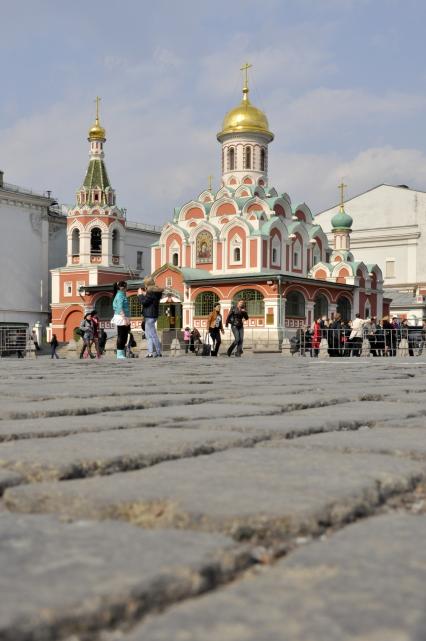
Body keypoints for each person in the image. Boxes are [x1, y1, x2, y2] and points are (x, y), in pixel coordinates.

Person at [137, 276, 163, 358]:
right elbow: (150, 300)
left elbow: (144, 302)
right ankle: (150, 352)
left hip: (149, 315)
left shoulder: (150, 292)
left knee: (152, 334)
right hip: (152, 315)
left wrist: (140, 295)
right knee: (148, 335)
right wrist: (145, 294)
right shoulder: (156, 291)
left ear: (147, 284)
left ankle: (158, 352)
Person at [112, 281, 130, 360]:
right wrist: (124, 318)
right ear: (123, 287)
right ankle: (119, 353)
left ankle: (121, 352)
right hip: (121, 316)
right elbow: (119, 307)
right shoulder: (120, 295)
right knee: (121, 335)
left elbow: (115, 306)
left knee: (124, 335)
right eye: (126, 286)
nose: (127, 288)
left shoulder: (121, 294)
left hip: (122, 316)